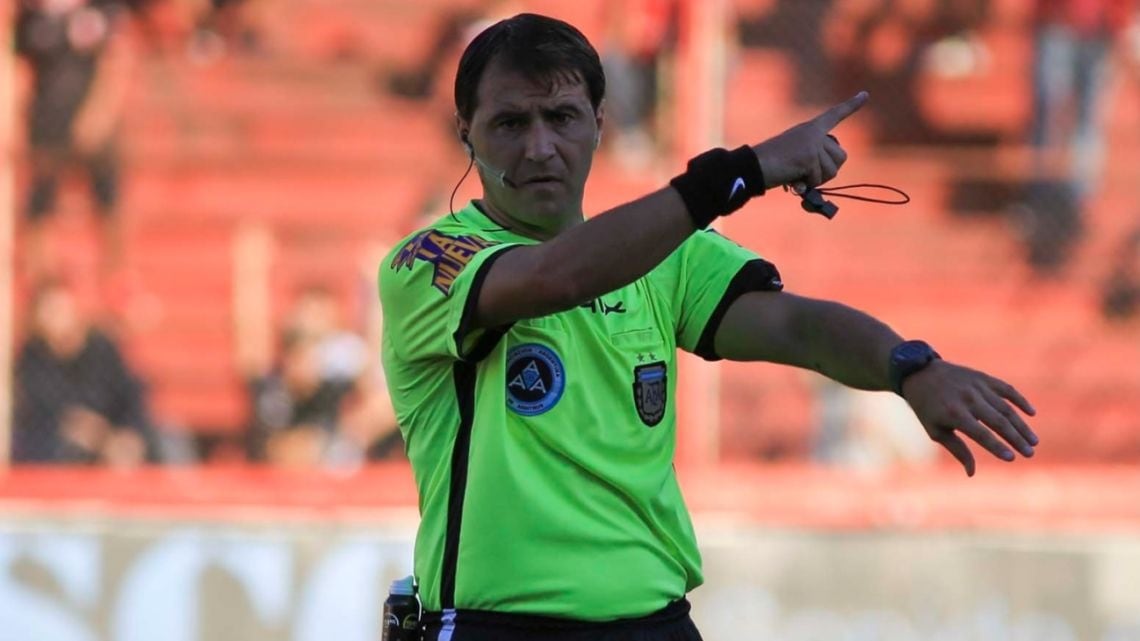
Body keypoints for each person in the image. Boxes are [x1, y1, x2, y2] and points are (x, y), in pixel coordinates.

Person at [378, 13, 1038, 640]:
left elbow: (800, 328)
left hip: (657, 623)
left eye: (562, 117)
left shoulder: (662, 255)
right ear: (466, 131)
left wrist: (910, 367)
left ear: (600, 123)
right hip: (499, 627)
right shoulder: (429, 261)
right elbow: (558, 277)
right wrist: (739, 172)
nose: (540, 146)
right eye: (510, 123)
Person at [14, 0, 137, 279]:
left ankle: (116, 277)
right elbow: (21, 67)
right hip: (46, 124)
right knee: (40, 200)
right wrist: (18, 121)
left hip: (93, 124)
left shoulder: (103, 9)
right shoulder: (33, 15)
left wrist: (100, 114)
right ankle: (42, 280)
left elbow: (116, 62)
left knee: (108, 198)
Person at [11, 279, 157, 466]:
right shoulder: (32, 359)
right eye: (50, 312)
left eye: (61, 309)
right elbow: (42, 414)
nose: (57, 318)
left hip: (113, 437)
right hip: (61, 446)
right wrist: (88, 433)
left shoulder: (102, 348)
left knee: (166, 440)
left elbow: (131, 394)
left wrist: (128, 433)